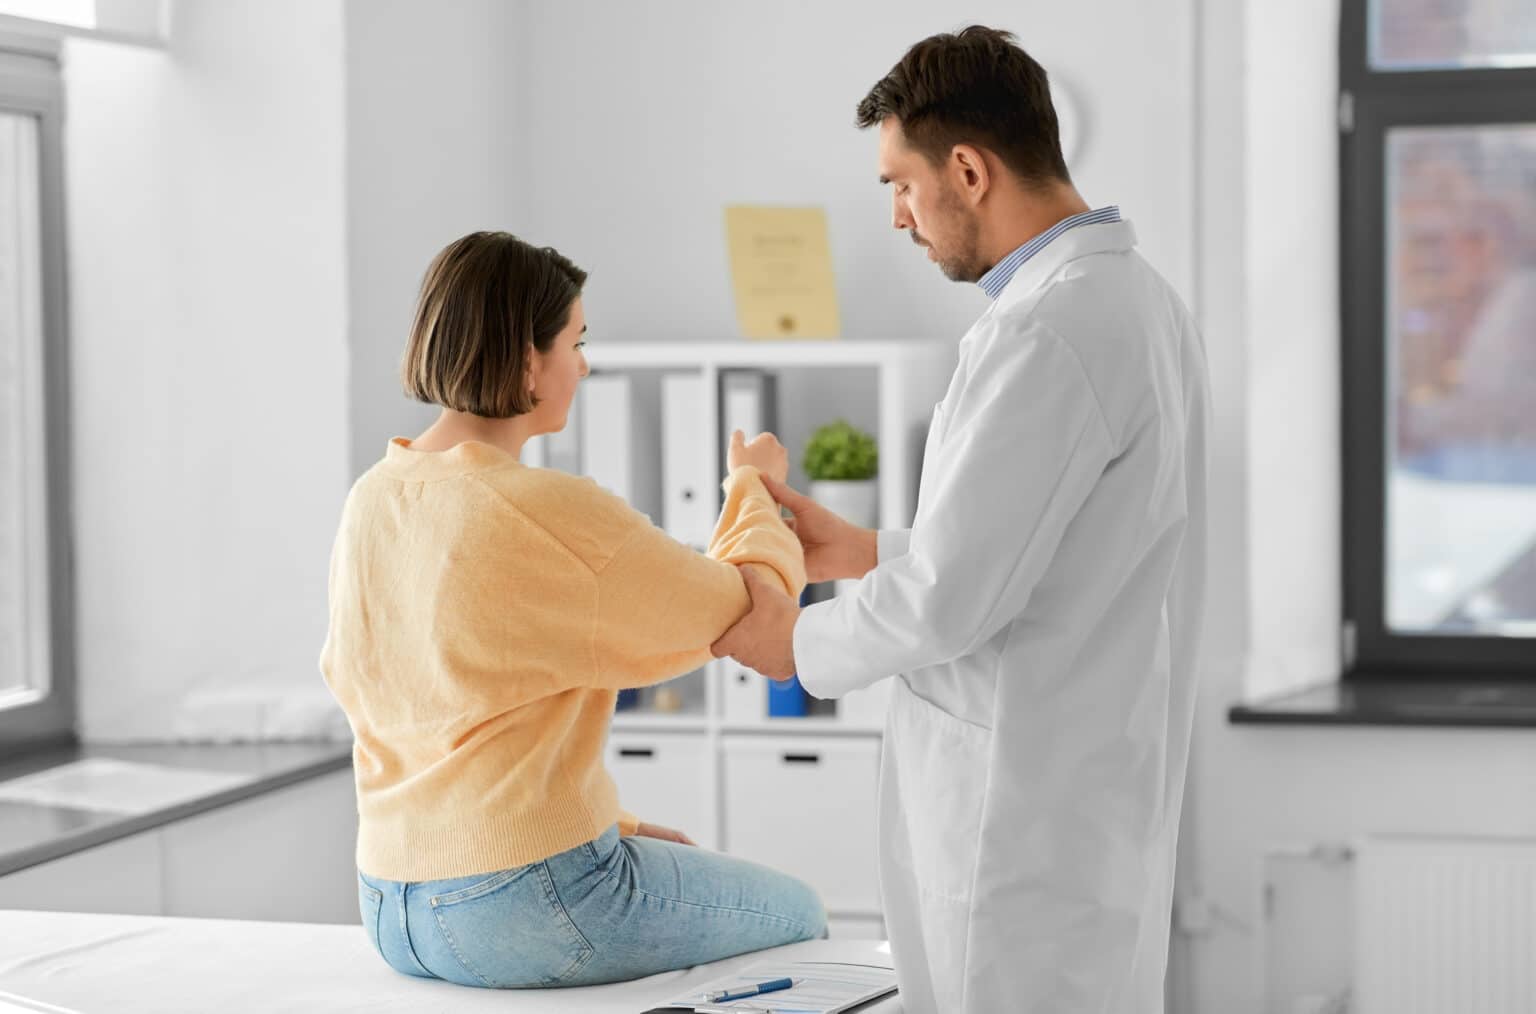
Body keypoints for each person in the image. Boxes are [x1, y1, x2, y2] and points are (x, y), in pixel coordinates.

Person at [712, 27, 1210, 1014]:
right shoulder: (1139, 304)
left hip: (1018, 839)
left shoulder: (1046, 331)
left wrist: (790, 642)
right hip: (1072, 810)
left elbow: (949, 602)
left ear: (969, 170)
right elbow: (1051, 552)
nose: (899, 216)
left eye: (901, 183)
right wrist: (866, 551)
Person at [320, 231, 826, 990]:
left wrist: (611, 828)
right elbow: (750, 617)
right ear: (529, 359)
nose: (583, 365)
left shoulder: (373, 498)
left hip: (389, 904)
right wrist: (752, 490)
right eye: (575, 341)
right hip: (521, 900)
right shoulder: (542, 510)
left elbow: (421, 706)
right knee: (801, 917)